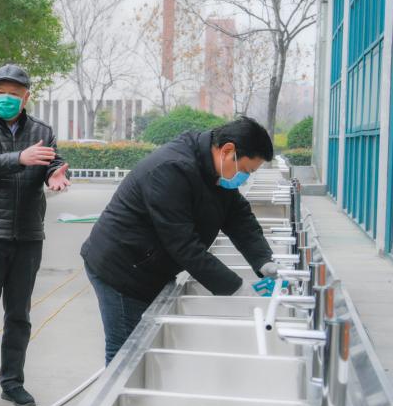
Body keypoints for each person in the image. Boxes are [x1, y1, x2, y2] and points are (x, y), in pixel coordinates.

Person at [82, 116, 279, 364]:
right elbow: (183, 245)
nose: (244, 179)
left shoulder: (214, 169)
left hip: (150, 263)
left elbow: (238, 216)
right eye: (246, 171)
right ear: (228, 151)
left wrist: (263, 260)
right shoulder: (171, 169)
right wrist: (235, 288)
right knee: (127, 352)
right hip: (122, 267)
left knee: (145, 345)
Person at [0, 64, 71, 406]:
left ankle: (12, 382)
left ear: (26, 97)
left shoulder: (42, 131)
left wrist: (55, 174)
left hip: (27, 233)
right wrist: (20, 158)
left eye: (13, 93)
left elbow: (52, 162)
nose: (6, 98)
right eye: (0, 93)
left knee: (19, 315)